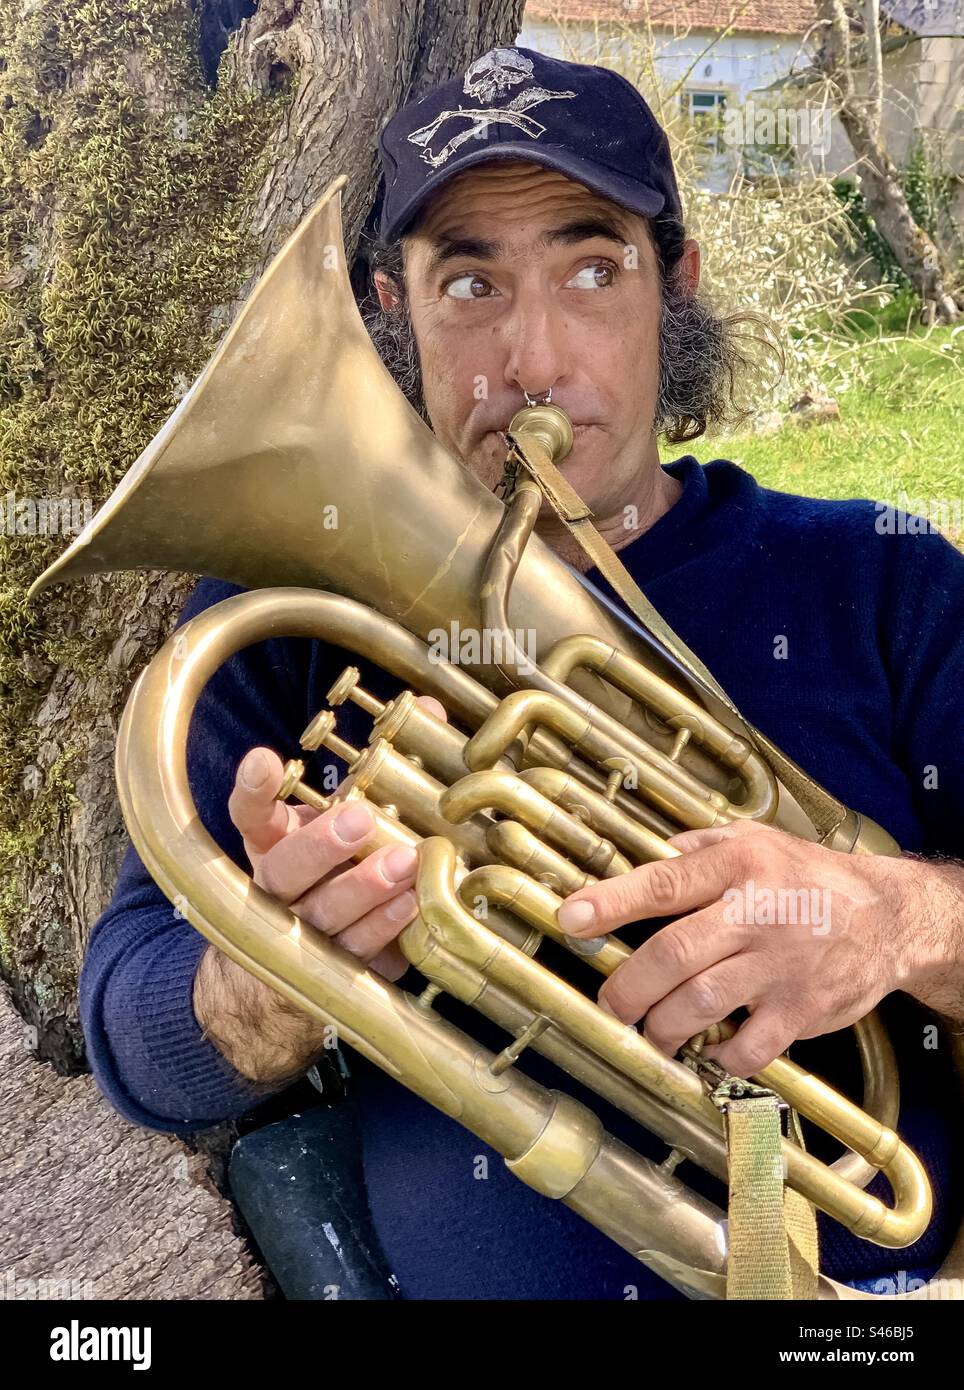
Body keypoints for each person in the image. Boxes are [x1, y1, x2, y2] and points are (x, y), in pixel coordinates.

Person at [79, 47, 964, 1299]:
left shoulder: (880, 582)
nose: (533, 360)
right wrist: (278, 975)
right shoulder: (285, 612)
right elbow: (129, 1025)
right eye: (469, 283)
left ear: (678, 283)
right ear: (391, 306)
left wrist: (892, 921)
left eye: (592, 269)